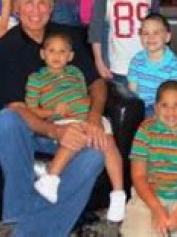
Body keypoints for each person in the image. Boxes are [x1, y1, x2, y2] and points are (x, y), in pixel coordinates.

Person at [0, 0, 107, 236]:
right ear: (16, 7)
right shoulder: (5, 48)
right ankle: (22, 210)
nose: (35, 10)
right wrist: (55, 131)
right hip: (30, 132)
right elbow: (17, 107)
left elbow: (97, 83)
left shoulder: (67, 38)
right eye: (28, 3)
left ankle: (26, 227)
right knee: (5, 121)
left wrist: (94, 117)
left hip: (72, 124)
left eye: (42, 3)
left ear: (52, 7)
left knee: (97, 154)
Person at [25, 30, 126, 221]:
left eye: (62, 51)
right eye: (52, 51)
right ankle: (51, 178)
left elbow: (86, 93)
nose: (56, 55)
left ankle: (118, 194)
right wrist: (52, 112)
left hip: (89, 118)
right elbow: (31, 110)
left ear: (70, 56)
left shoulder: (76, 73)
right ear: (43, 54)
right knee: (75, 135)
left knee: (108, 143)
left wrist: (92, 113)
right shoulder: (36, 78)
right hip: (65, 121)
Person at [122, 80, 177, 237]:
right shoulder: (145, 130)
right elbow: (138, 175)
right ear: (156, 108)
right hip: (148, 196)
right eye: (164, 105)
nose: (171, 111)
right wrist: (156, 208)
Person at [128, 13, 177, 116]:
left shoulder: (175, 64)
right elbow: (132, 90)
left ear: (167, 37)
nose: (150, 37)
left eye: (156, 33)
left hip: (164, 108)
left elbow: (175, 94)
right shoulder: (136, 60)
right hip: (141, 107)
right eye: (145, 33)